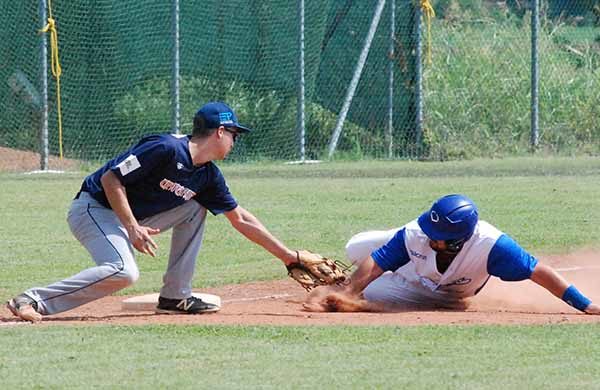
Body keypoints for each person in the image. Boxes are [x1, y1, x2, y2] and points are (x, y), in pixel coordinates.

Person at [7, 101, 299, 322]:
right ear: (220, 132)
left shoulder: (208, 176)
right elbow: (111, 178)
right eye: (235, 134)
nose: (236, 141)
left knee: (197, 206)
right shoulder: (165, 147)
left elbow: (241, 218)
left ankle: (175, 296)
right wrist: (132, 227)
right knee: (124, 271)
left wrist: (289, 257)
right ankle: (31, 299)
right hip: (95, 208)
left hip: (134, 218)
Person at [304, 194, 600, 314]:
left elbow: (539, 272)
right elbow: (377, 262)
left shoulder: (493, 245)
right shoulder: (420, 233)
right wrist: (349, 291)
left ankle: (393, 278)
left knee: (380, 291)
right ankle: (373, 270)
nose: (431, 237)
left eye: (440, 237)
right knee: (357, 247)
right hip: (416, 265)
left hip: (447, 294)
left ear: (460, 240)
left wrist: (584, 305)